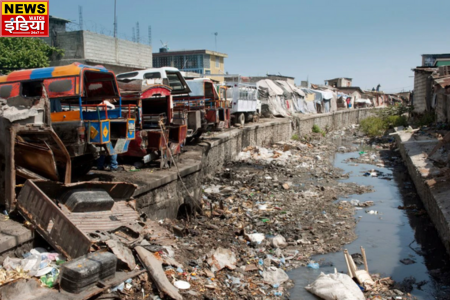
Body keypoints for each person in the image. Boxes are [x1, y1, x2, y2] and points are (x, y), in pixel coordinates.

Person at [96, 99, 121, 172]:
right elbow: (113, 118)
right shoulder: (111, 106)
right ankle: (114, 166)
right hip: (107, 130)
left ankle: (99, 165)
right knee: (112, 149)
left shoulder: (98, 105)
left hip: (99, 129)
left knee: (102, 150)